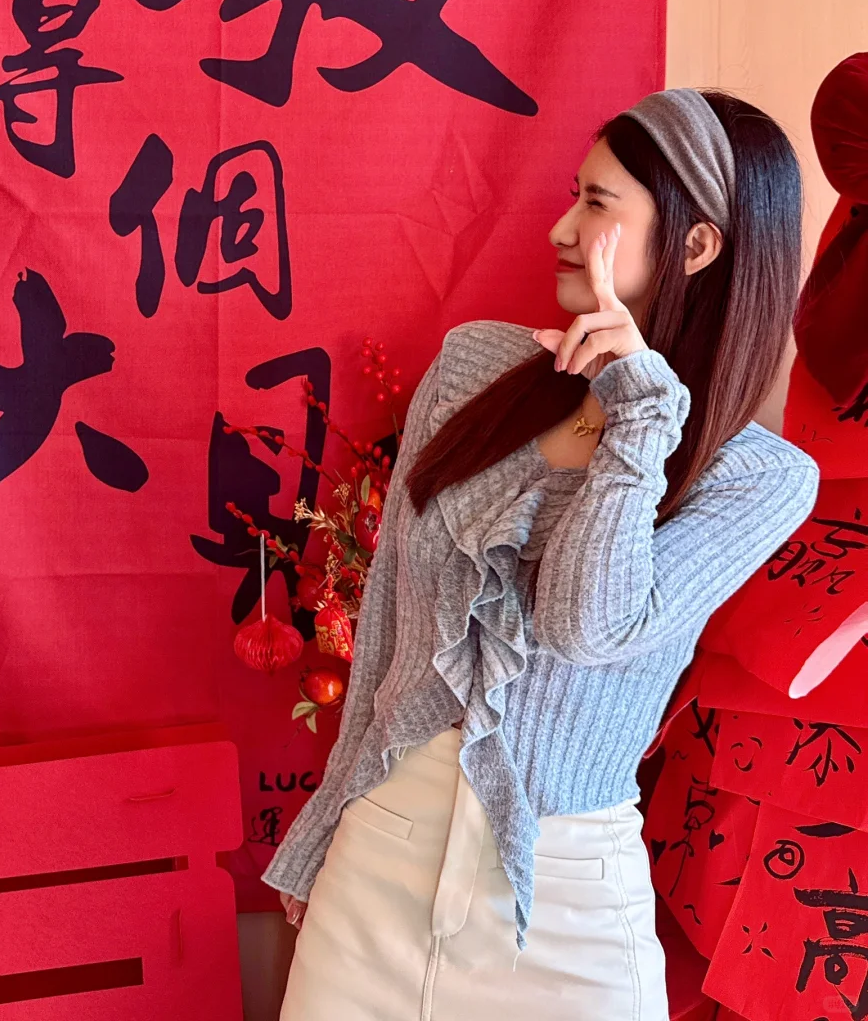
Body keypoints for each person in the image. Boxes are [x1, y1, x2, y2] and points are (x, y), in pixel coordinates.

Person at [262, 88, 821, 1021]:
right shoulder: (474, 367)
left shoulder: (760, 477)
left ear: (696, 246)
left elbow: (584, 628)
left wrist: (640, 412)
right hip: (381, 859)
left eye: (597, 203)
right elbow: (390, 621)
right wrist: (325, 827)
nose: (562, 229)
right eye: (574, 195)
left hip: (565, 898)